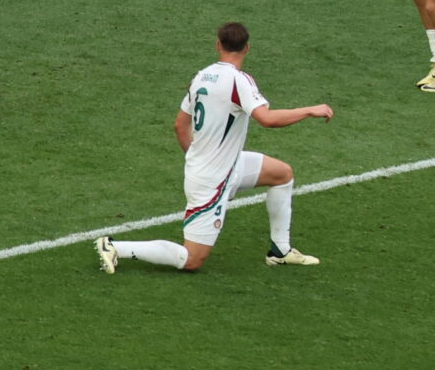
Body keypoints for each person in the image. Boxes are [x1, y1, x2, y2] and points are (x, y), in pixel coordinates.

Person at [95, 22, 333, 274]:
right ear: (247, 48)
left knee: (282, 174)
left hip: (225, 165)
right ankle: (115, 247)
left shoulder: (201, 76)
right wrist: (309, 110)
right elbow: (267, 119)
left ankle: (280, 251)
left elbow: (180, 125)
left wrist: (198, 158)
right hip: (212, 179)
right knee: (192, 260)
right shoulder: (238, 81)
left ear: (218, 45)